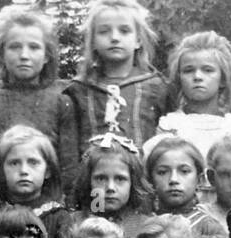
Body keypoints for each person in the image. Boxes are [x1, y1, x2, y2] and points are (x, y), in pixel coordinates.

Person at [0, 9, 80, 198]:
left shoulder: (61, 104)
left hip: (48, 206)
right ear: (2, 54)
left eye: (34, 47)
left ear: (47, 56)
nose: (24, 55)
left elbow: (69, 168)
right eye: (15, 47)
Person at [63, 0, 169, 155]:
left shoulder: (157, 87)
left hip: (143, 175)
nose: (114, 37)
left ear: (138, 40)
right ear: (92, 41)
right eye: (104, 31)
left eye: (124, 31)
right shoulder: (78, 90)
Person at [148, 31, 231, 165]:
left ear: (222, 79)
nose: (197, 77)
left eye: (207, 70)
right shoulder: (170, 125)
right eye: (188, 70)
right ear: (179, 78)